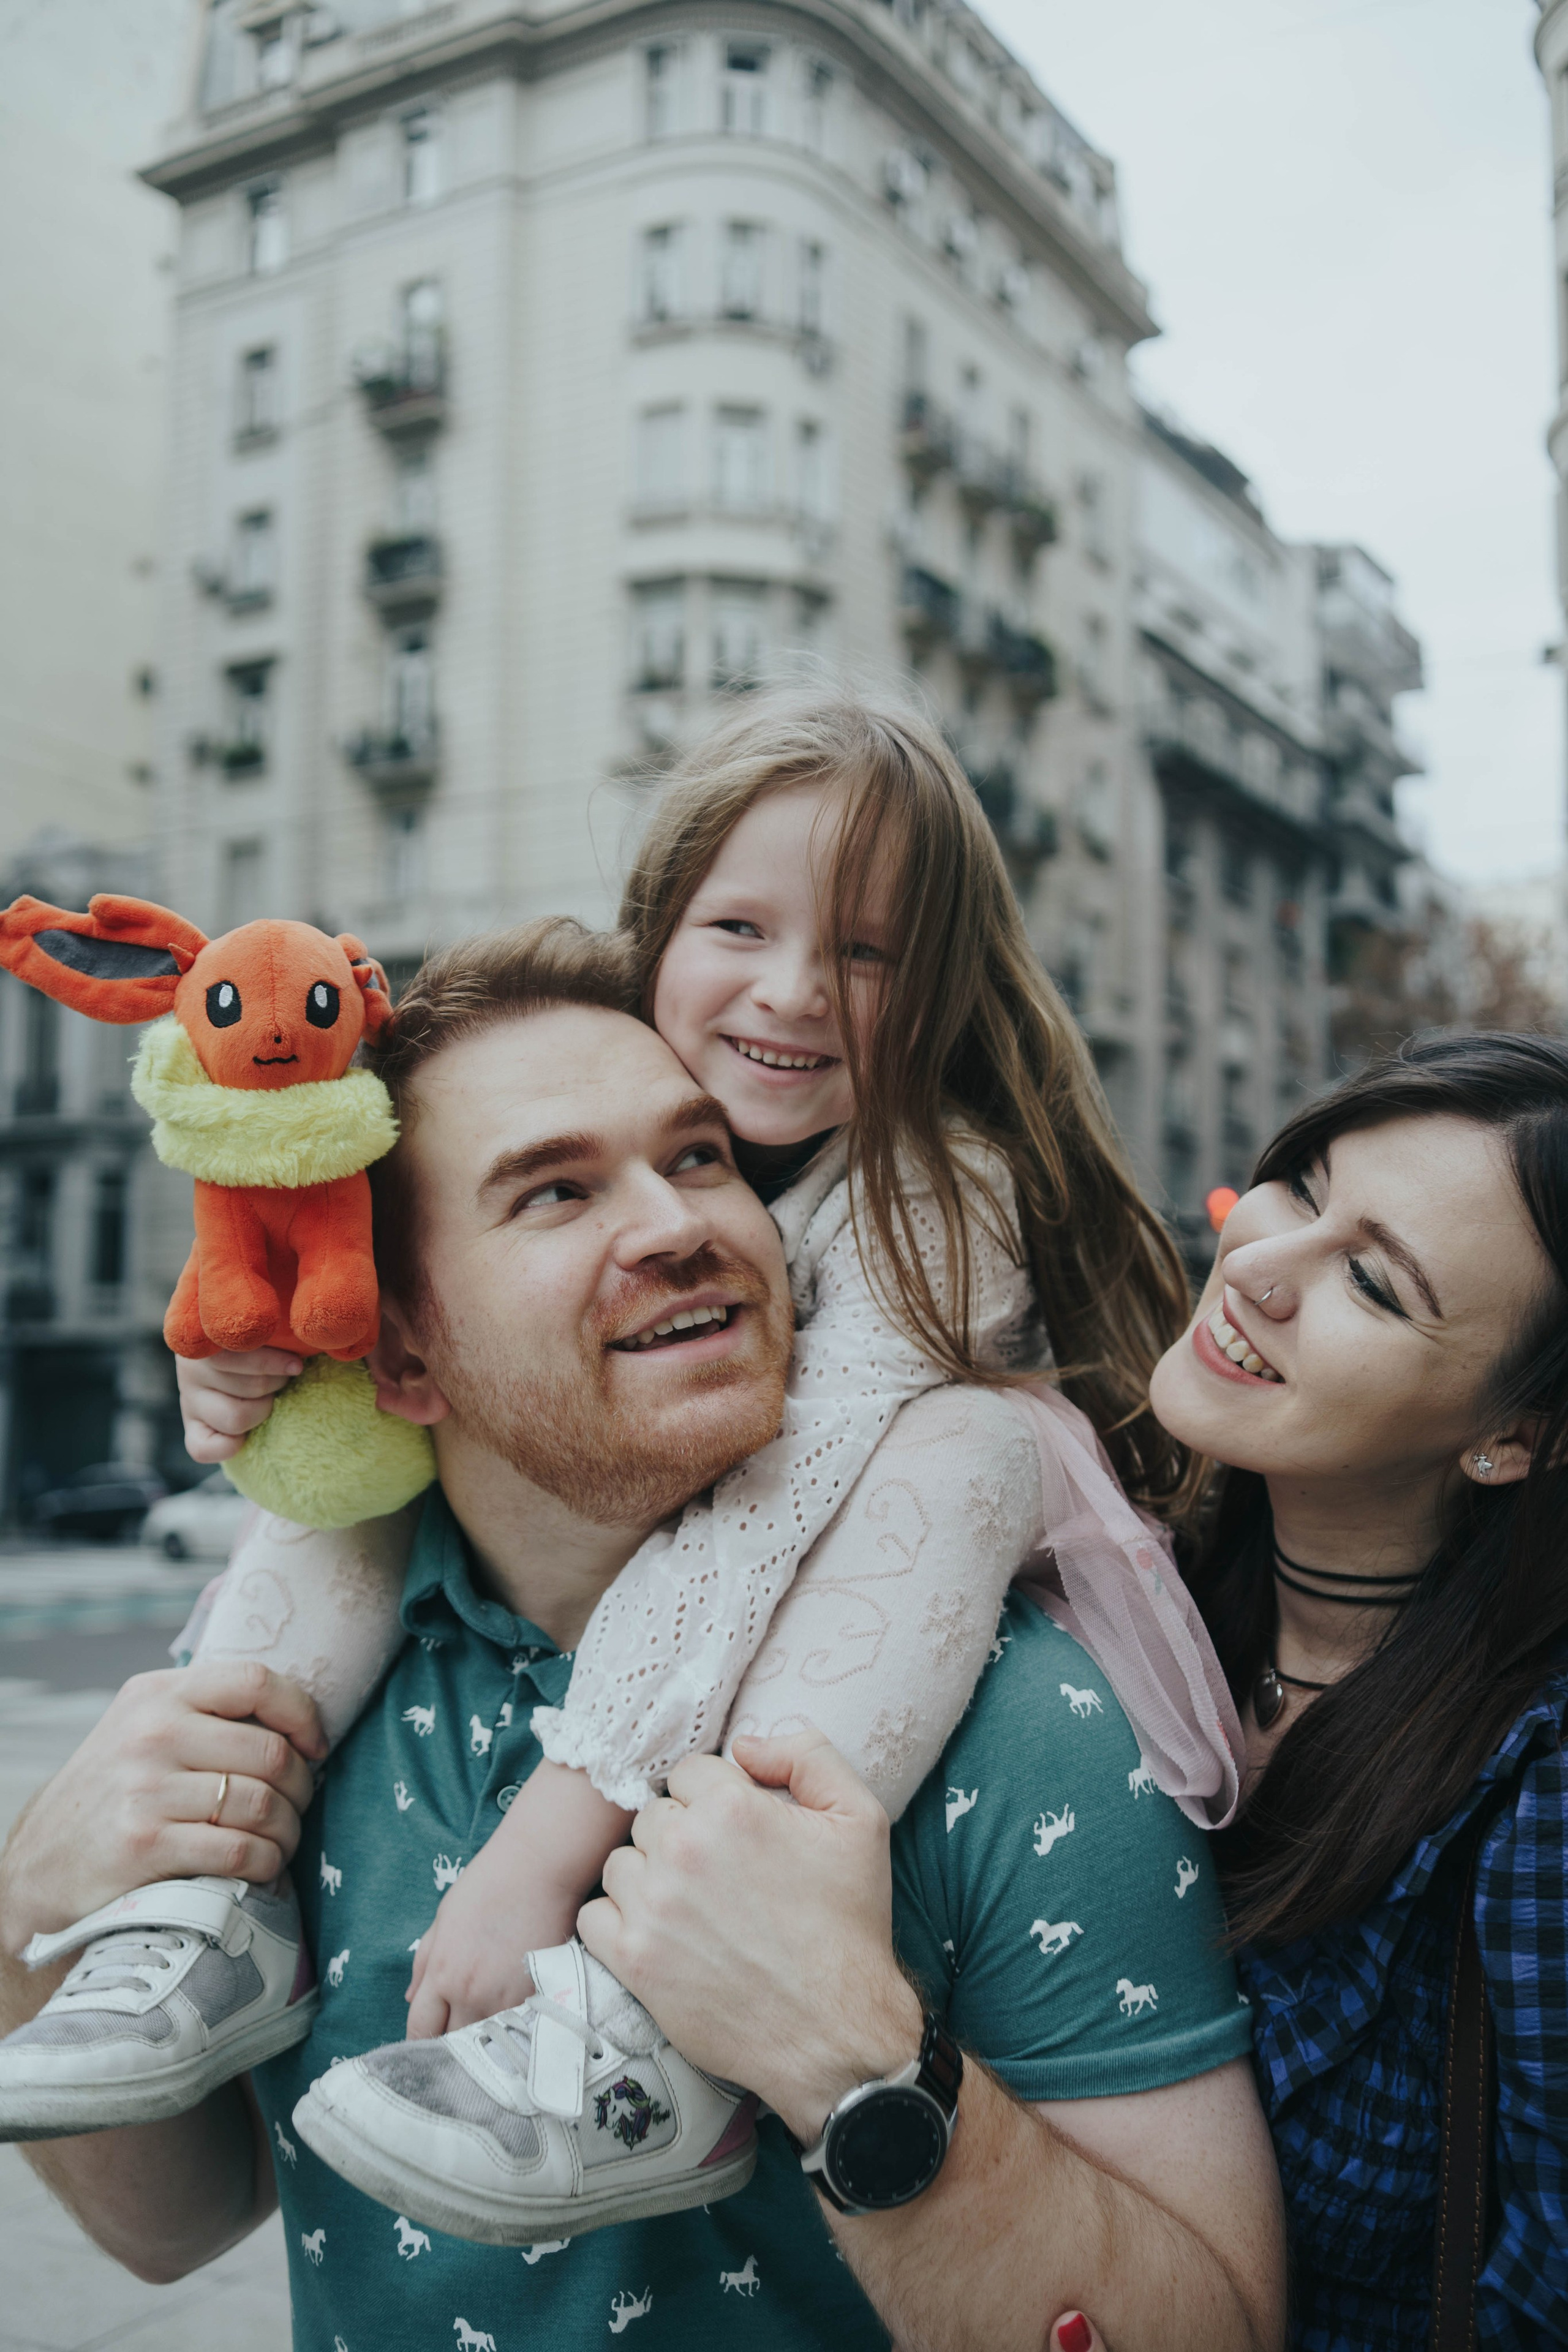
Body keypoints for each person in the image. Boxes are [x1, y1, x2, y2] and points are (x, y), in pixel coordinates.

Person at [0, 690, 1238, 2236]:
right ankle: (199, 1910)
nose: (792, 995)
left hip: (852, 1589)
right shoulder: (564, 1094)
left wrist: (556, 1831)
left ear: (936, 996)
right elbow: (170, 2238)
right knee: (368, 1475)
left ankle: (645, 2021)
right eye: (739, 928)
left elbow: (758, 1510)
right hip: (606, 1601)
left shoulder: (935, 1195)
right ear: (656, 936)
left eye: (866, 956)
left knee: (963, 1445)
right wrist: (249, 1358)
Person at [1018, 1033, 1568, 2348]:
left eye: (1372, 1284)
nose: (1255, 1267)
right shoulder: (1115, 1584)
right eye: (1304, 1189)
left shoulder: (1533, 1792)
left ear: (1513, 1437)